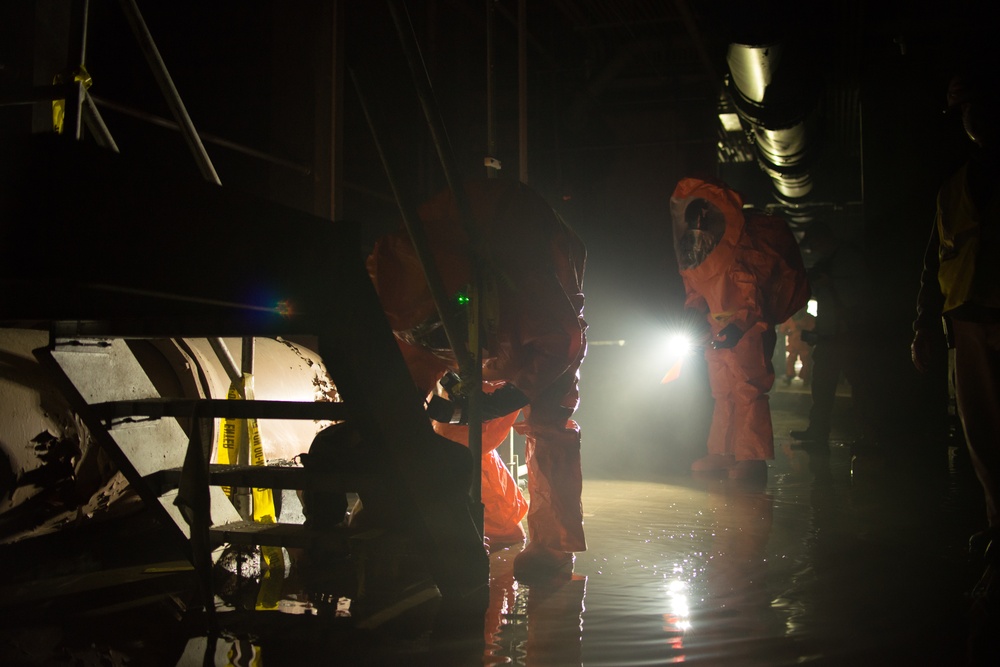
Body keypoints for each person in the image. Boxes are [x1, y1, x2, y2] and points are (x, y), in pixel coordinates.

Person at [367, 178, 588, 579]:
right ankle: (499, 521)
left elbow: (562, 340)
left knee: (548, 423)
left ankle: (552, 545)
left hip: (534, 320)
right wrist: (419, 396)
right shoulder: (399, 280)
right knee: (454, 431)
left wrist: (509, 396)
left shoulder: (529, 279)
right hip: (478, 317)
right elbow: (412, 350)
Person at [912, 61, 1000, 558]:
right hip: (966, 319)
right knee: (982, 435)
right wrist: (924, 323)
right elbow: (933, 261)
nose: (974, 116)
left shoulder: (960, 183)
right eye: (967, 109)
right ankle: (998, 522)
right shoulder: (953, 188)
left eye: (980, 106)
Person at [671, 177, 810, 480]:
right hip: (715, 330)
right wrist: (693, 317)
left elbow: (751, 297)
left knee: (748, 390)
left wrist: (738, 325)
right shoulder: (698, 251)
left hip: (747, 330)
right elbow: (695, 292)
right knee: (723, 392)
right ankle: (722, 452)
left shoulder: (742, 247)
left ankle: (752, 458)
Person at [789, 222, 878, 447]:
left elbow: (863, 291)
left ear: (825, 237)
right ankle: (818, 430)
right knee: (821, 385)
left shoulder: (849, 258)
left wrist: (832, 283)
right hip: (829, 335)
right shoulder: (827, 262)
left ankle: (866, 434)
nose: (813, 250)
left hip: (849, 334)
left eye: (815, 243)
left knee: (861, 386)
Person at [779, 308, 816, 385]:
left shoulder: (809, 318)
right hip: (795, 345)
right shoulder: (790, 319)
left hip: (804, 345)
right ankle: (790, 376)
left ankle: (805, 378)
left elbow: (813, 329)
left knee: (806, 362)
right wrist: (789, 332)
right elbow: (782, 330)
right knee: (791, 361)